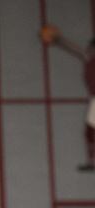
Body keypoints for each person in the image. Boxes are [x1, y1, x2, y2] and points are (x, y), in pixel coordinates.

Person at [42, 24, 95, 171]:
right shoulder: (88, 58)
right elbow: (75, 48)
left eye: (91, 47)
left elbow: (76, 49)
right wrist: (58, 40)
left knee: (90, 132)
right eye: (90, 47)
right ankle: (91, 162)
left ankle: (91, 161)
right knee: (90, 132)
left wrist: (58, 39)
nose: (89, 50)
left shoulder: (90, 58)